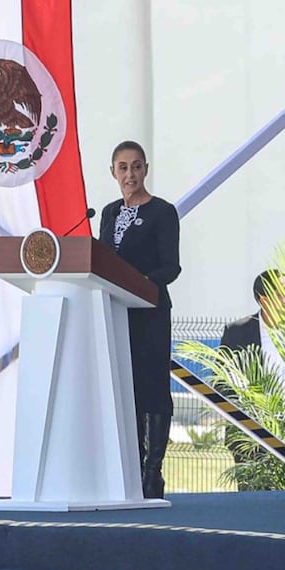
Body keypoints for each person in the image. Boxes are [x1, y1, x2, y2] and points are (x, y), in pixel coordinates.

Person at [97, 140, 181, 499]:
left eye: (135, 167)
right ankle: (129, 466)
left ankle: (152, 472)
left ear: (145, 169)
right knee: (123, 390)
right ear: (113, 172)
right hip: (116, 312)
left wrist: (141, 283)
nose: (129, 174)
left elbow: (171, 266)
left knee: (152, 388)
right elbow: (100, 259)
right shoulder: (108, 213)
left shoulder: (162, 212)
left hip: (149, 311)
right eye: (122, 168)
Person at [220, 270, 285, 488]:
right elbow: (222, 382)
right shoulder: (237, 332)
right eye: (284, 293)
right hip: (252, 435)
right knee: (253, 500)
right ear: (264, 299)